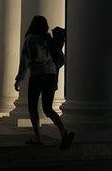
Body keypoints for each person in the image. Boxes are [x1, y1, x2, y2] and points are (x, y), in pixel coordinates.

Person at [14, 15, 74, 149]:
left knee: (33, 107)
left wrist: (19, 79)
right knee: (48, 108)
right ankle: (64, 132)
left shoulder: (30, 40)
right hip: (51, 77)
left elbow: (24, 61)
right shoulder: (49, 40)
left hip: (36, 76)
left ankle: (37, 137)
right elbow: (62, 59)